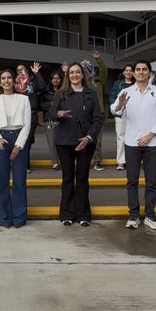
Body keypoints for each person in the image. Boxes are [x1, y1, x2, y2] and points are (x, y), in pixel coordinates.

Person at [110, 59, 156, 230]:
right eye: (138, 69)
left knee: (151, 182)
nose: (141, 72)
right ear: (133, 73)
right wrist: (120, 105)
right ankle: (133, 215)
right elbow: (114, 109)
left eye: (144, 69)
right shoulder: (126, 92)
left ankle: (150, 215)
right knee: (132, 181)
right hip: (131, 143)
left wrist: (150, 135)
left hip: (152, 143)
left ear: (150, 73)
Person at [49, 62, 103, 226]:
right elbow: (51, 113)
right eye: (71, 72)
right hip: (64, 142)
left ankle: (83, 214)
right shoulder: (60, 93)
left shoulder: (91, 94)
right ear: (68, 75)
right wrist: (58, 113)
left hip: (85, 142)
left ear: (83, 75)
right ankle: (66, 213)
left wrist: (88, 137)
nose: (74, 75)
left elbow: (98, 119)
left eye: (77, 72)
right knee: (67, 178)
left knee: (82, 178)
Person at [0, 68, 31, 228]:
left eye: (9, 78)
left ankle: (19, 216)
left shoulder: (23, 99)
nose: (6, 81)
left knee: (19, 180)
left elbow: (27, 124)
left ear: (14, 81)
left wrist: (18, 145)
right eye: (3, 78)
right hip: (1, 139)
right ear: (0, 82)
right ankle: (4, 217)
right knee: (2, 180)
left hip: (19, 137)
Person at [15, 62, 46, 172]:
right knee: (22, 140)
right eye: (18, 70)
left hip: (31, 114)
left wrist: (37, 74)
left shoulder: (32, 81)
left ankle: (25, 166)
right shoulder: (15, 83)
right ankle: (22, 164)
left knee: (26, 140)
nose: (20, 71)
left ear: (27, 70)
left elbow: (42, 86)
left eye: (22, 69)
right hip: (18, 115)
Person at [108, 65, 135, 170]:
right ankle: (121, 161)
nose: (128, 72)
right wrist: (117, 106)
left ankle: (131, 160)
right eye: (126, 70)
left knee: (133, 138)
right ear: (123, 72)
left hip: (134, 115)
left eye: (130, 70)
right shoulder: (117, 83)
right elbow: (112, 96)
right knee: (121, 138)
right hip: (121, 114)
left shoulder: (136, 83)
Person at [86, 50, 107, 171]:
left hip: (98, 114)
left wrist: (98, 59)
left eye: (90, 69)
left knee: (97, 140)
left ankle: (97, 161)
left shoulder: (99, 81)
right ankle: (84, 161)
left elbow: (104, 70)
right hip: (85, 114)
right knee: (84, 138)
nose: (89, 72)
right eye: (86, 70)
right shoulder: (83, 83)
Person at [40, 69, 64, 168]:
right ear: (51, 80)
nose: (55, 80)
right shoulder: (46, 92)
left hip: (62, 120)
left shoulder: (64, 91)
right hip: (50, 120)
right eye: (54, 78)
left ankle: (63, 161)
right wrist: (52, 104)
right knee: (52, 142)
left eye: (58, 78)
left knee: (63, 141)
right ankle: (55, 162)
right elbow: (41, 105)